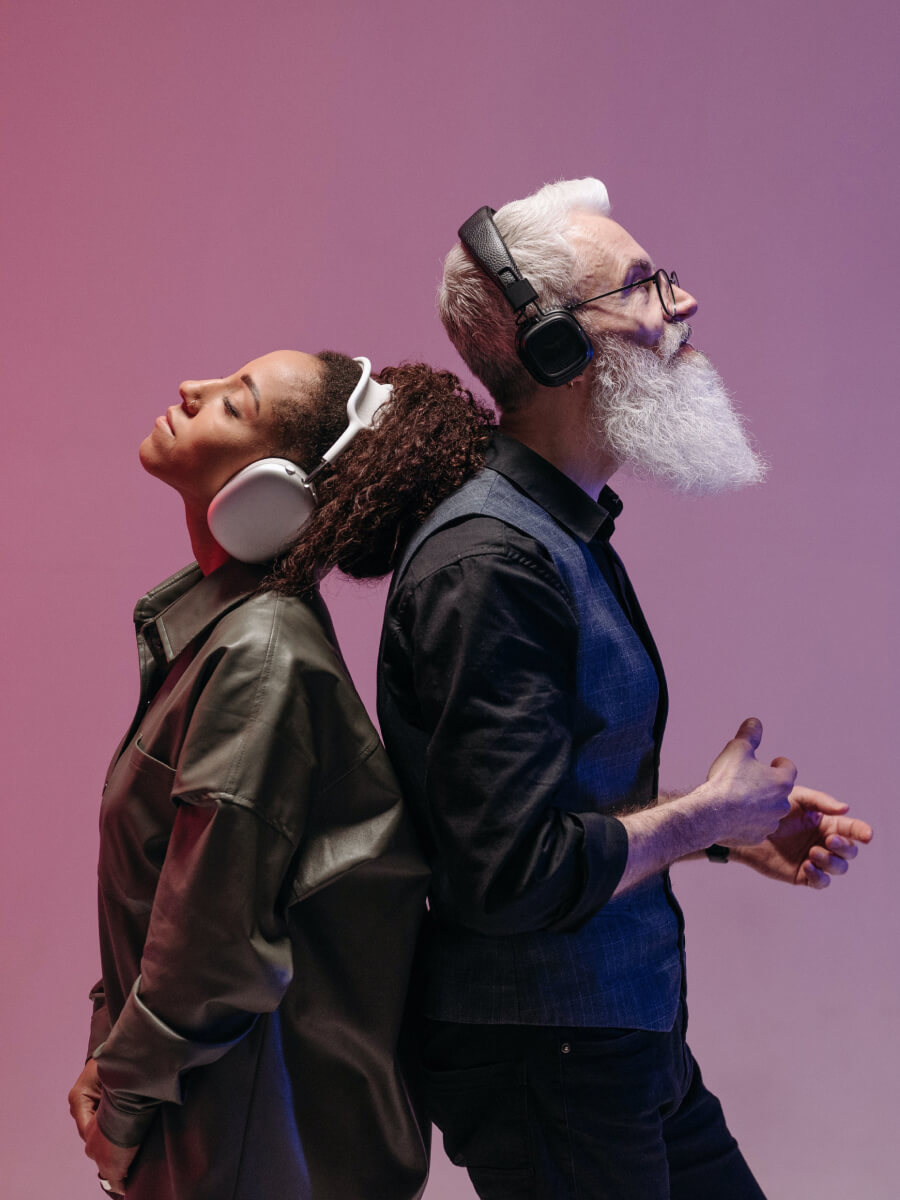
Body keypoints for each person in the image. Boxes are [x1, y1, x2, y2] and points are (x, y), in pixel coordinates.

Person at [375, 179, 874, 1199]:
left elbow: (548, 811)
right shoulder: (493, 562)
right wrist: (700, 819)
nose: (682, 303)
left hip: (612, 1043)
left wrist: (725, 829)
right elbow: (510, 875)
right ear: (555, 344)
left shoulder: (558, 530)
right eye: (643, 285)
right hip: (553, 1060)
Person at [67, 348, 493, 1199]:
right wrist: (109, 1051)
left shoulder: (259, 656)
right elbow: (164, 896)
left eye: (236, 403)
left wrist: (122, 1104)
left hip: (245, 1152)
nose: (194, 388)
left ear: (274, 494)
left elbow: (212, 950)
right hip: (221, 1131)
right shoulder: (225, 634)